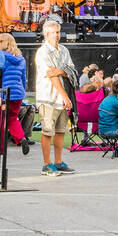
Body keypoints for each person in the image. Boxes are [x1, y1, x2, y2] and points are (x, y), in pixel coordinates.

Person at [34, 19, 76, 176]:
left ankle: (58, 162)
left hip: (62, 99)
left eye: (58, 32)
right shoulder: (43, 52)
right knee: (47, 131)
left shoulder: (64, 50)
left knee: (60, 131)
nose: (57, 35)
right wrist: (65, 96)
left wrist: (60, 71)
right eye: (53, 32)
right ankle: (46, 164)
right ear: (46, 34)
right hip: (48, 97)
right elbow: (52, 77)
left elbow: (70, 70)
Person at [0, 33, 30, 155]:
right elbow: (24, 78)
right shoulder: (21, 59)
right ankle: (21, 138)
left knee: (2, 121)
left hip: (4, 94)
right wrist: (23, 91)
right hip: (17, 93)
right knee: (12, 118)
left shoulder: (2, 57)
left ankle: (1, 148)